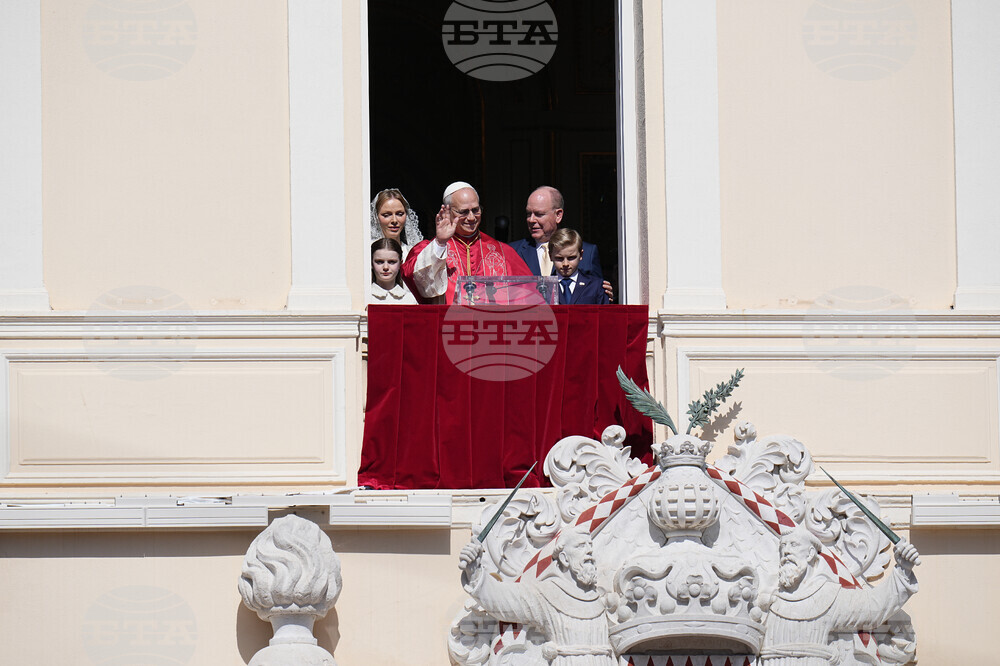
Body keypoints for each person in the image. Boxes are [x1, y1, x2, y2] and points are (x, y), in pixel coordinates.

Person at [758, 527, 921, 666]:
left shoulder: (828, 596)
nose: (786, 551)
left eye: (793, 544)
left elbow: (873, 607)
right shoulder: (771, 602)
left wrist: (903, 570)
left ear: (809, 554)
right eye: (783, 546)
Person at [458, 529, 615, 665]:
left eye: (590, 546)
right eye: (580, 546)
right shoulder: (549, 593)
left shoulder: (599, 598)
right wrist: (475, 572)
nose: (588, 551)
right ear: (564, 558)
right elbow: (505, 600)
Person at [401, 182, 531, 304]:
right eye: (463, 212)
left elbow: (530, 295)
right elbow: (415, 279)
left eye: (476, 210)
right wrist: (440, 243)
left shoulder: (503, 252)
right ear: (448, 211)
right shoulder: (432, 249)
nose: (471, 217)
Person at [510, 186, 612, 300]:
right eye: (529, 214)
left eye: (539, 214)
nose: (531, 220)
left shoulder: (588, 253)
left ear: (558, 215)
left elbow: (595, 295)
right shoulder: (513, 252)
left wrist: (603, 295)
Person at [549, 229, 609, 305]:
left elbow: (605, 315)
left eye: (571, 258)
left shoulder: (595, 286)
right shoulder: (543, 288)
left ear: (581, 255)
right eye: (559, 258)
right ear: (550, 256)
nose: (565, 264)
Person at [370, 188, 423, 256]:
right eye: (386, 215)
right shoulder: (368, 250)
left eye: (399, 214)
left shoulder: (412, 253)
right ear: (376, 218)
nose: (394, 220)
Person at [369, 238, 417, 304]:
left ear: (400, 264)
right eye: (380, 262)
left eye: (391, 262)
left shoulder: (410, 300)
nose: (385, 267)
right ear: (371, 263)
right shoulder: (365, 298)